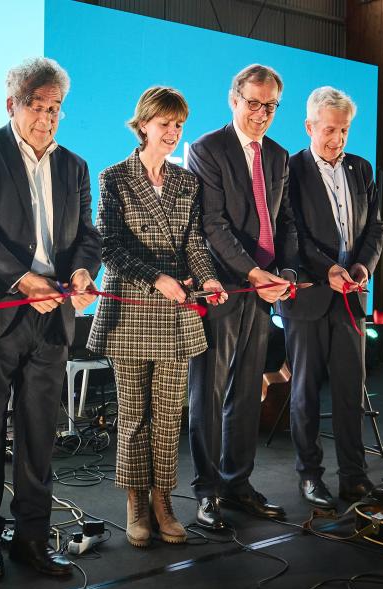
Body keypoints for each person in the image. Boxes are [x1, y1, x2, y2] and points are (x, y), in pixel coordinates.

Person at [0, 57, 101, 580]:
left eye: (56, 108)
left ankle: (32, 537)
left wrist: (80, 273)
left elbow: (88, 237)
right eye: (38, 107)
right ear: (12, 105)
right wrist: (19, 280)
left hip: (53, 320)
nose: (48, 118)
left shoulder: (74, 166)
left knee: (40, 435)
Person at [86, 87, 225, 547]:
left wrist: (207, 280)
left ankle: (164, 500)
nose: (173, 132)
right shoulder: (114, 178)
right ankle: (135, 503)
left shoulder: (187, 182)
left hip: (177, 313)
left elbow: (194, 245)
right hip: (132, 311)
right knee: (133, 417)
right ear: (142, 124)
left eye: (179, 125)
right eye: (165, 123)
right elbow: (110, 249)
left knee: (169, 417)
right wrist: (157, 279)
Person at [186, 64, 297, 531]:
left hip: (264, 289)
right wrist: (254, 271)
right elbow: (212, 224)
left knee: (248, 391)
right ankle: (208, 492)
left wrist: (285, 272)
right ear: (233, 100)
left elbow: (286, 221)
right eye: (253, 103)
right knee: (209, 393)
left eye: (270, 105)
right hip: (224, 288)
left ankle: (238, 483)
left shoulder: (278, 155)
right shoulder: (207, 149)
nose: (262, 113)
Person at [276, 86, 383, 508]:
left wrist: (362, 268)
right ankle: (309, 476)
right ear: (308, 126)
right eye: (328, 130)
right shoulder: (290, 169)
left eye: (343, 130)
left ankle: (354, 477)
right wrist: (328, 270)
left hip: (350, 299)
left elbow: (374, 228)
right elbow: (292, 234)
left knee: (350, 392)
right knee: (304, 392)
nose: (337, 139)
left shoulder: (361, 169)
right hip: (307, 298)